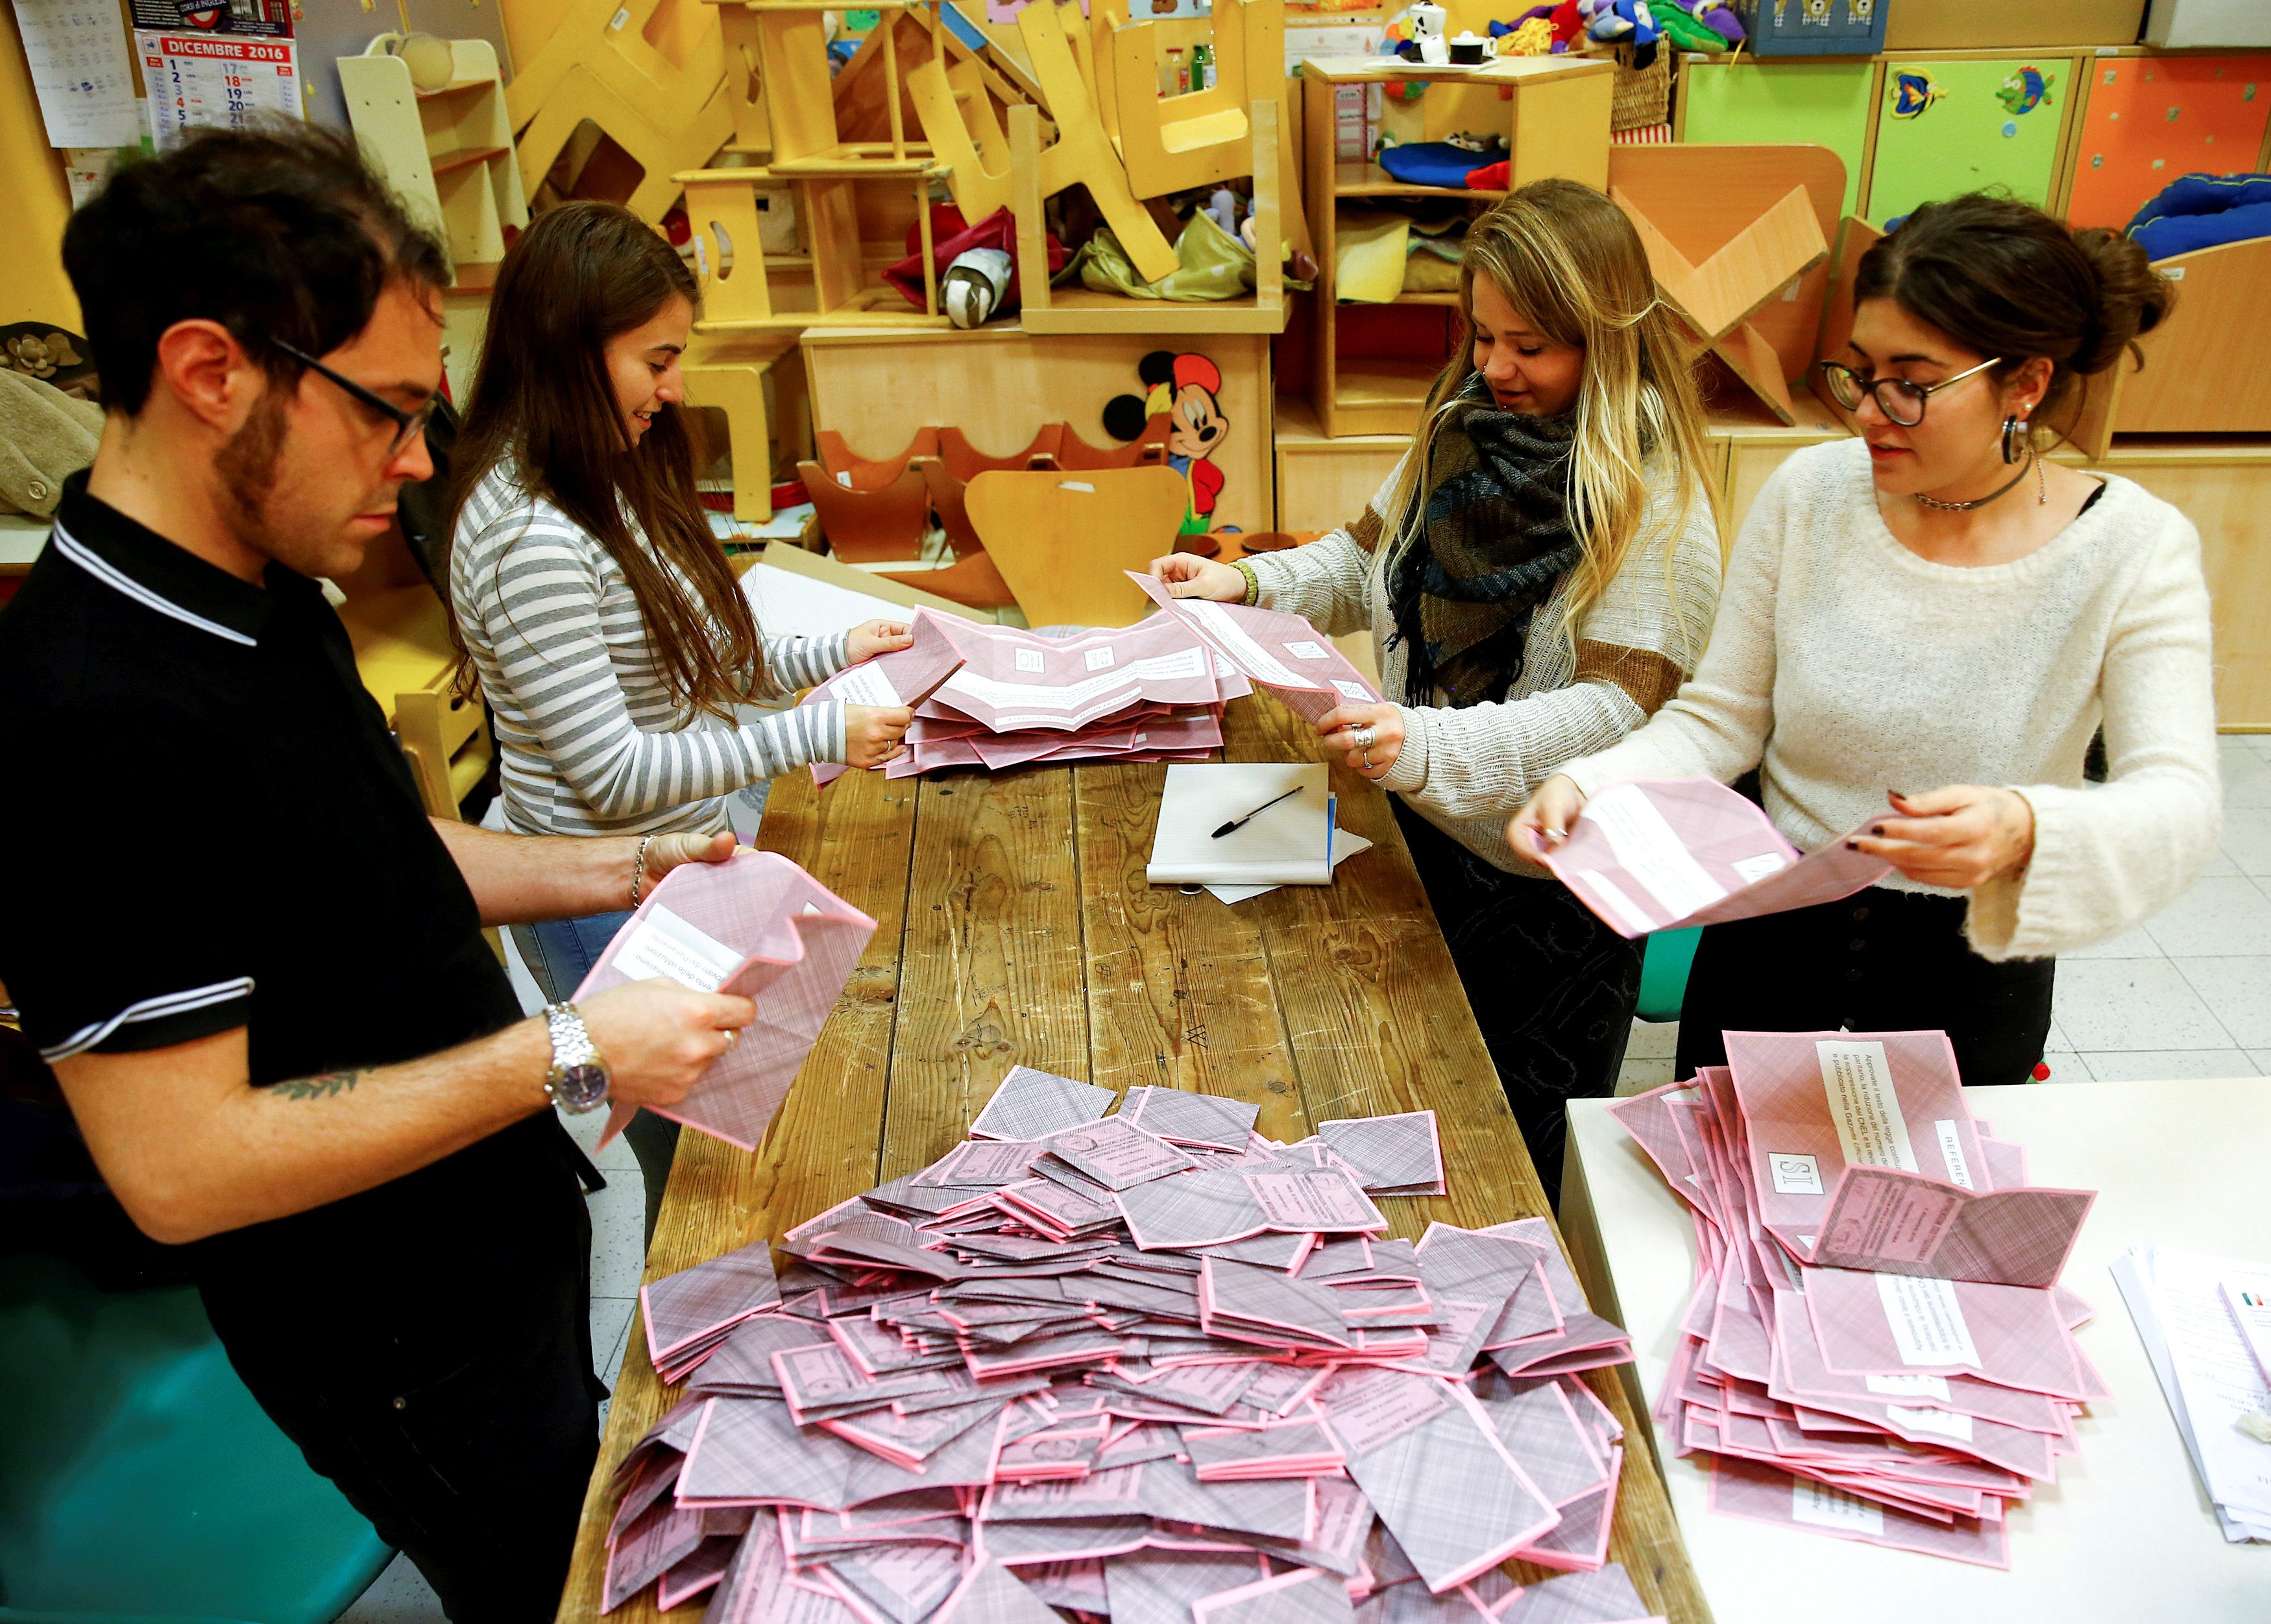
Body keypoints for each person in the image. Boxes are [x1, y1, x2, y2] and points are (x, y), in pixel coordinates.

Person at [0, 127, 757, 1621]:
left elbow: (365, 848)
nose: (419, 461)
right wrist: (571, 1047)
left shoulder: (263, 585)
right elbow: (181, 1166)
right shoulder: (90, 719)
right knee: (572, 1584)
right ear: (213, 371)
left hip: (492, 1246)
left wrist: (621, 859)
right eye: (387, 411)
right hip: (393, 1340)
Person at [1513, 192, 2220, 1087]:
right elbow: (1725, 716)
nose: (1869, 413)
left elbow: (2181, 802)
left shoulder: (2133, 548)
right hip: (1771, 937)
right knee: (1729, 1198)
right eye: (1859, 373)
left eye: (1914, 385)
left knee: (1916, 1214)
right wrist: (1590, 782)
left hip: (1969, 971)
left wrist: (2027, 827)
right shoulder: (1811, 495)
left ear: (2026, 383)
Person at [1152, 178, 1725, 1196]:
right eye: (1481, 336)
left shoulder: (1656, 496)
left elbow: (1613, 717)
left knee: (1514, 1155)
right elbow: (1365, 561)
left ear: (1607, 339)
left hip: (1552, 898)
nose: (1496, 368)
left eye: (1531, 346)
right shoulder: (1462, 424)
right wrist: (1243, 582)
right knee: (1404, 1107)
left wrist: (1424, 746)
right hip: (1425, 836)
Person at [444, 202, 911, 1236]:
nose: (676, 387)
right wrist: (815, 735)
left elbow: (701, 656)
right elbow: (613, 776)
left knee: (730, 1121)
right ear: (573, 349)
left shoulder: (604, 469)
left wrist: (836, 654)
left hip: (669, 865)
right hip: (599, 884)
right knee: (695, 1174)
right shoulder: (531, 534)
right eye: (656, 359)